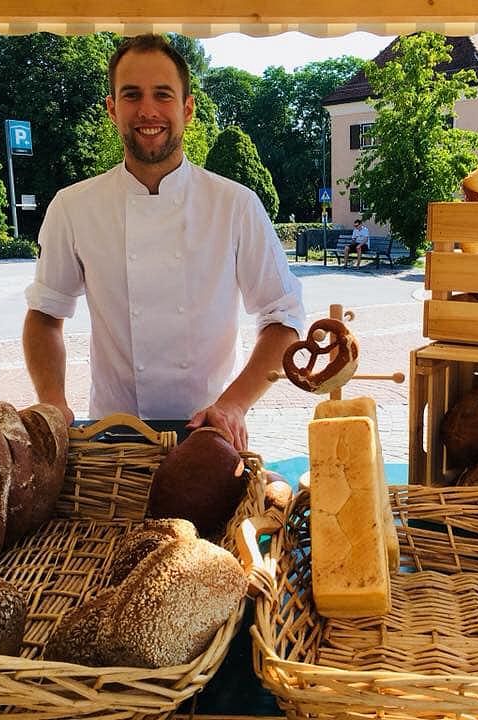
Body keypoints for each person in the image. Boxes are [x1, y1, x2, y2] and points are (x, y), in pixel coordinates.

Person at [22, 34, 305, 452]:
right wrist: (52, 401)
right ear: (112, 109)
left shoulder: (235, 205)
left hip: (210, 434)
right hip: (111, 437)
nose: (148, 111)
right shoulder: (73, 207)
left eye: (163, 95)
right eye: (131, 95)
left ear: (187, 109)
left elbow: (284, 318)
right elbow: (45, 315)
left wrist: (234, 406)